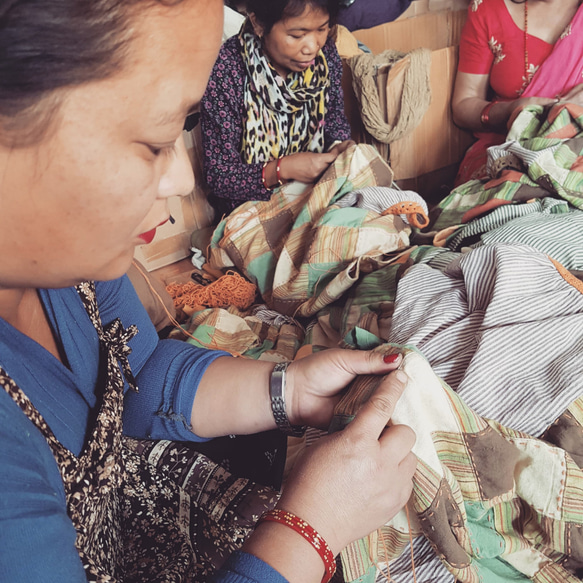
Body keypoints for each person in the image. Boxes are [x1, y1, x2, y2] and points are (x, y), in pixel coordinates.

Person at [0, 1, 417, 582]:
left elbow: (138, 375)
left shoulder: (80, 267)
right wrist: (312, 529)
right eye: (154, 142)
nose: (181, 179)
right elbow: (225, 177)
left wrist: (290, 389)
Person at [201, 0, 355, 218]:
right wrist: (282, 169)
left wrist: (341, 148)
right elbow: (220, 176)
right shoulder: (226, 69)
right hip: (253, 211)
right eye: (296, 35)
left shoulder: (324, 58)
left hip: (319, 193)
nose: (312, 46)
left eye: (322, 29)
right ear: (258, 24)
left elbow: (335, 125)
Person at [451, 0, 583, 186]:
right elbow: (463, 104)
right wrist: (510, 110)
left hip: (576, 150)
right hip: (506, 150)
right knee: (507, 201)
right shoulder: (490, 8)